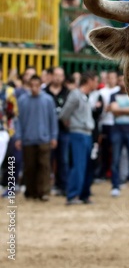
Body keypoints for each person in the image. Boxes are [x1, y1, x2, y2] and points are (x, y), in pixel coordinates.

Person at [15, 75, 58, 201]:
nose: (34, 88)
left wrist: (53, 136)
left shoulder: (48, 100)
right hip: (28, 139)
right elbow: (19, 120)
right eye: (32, 85)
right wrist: (18, 137)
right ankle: (31, 191)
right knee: (30, 167)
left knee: (44, 166)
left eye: (36, 85)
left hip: (44, 139)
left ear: (40, 85)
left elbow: (52, 119)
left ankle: (43, 192)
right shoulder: (22, 100)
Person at [59, 71, 98, 205]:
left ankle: (83, 194)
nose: (97, 84)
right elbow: (64, 114)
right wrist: (70, 123)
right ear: (89, 81)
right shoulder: (76, 94)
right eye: (95, 81)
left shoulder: (85, 96)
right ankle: (73, 195)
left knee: (87, 166)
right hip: (78, 133)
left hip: (86, 133)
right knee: (79, 165)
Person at [44, 67, 70, 196]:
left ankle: (63, 186)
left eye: (61, 75)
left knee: (63, 159)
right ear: (51, 76)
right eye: (56, 75)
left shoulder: (68, 92)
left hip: (64, 130)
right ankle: (46, 186)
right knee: (47, 159)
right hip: (47, 131)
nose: (58, 77)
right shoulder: (44, 92)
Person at [98, 71, 119, 180]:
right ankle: (104, 171)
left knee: (115, 150)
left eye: (113, 78)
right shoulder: (102, 92)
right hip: (105, 122)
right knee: (104, 149)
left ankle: (113, 173)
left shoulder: (118, 92)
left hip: (115, 123)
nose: (111, 80)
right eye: (109, 78)